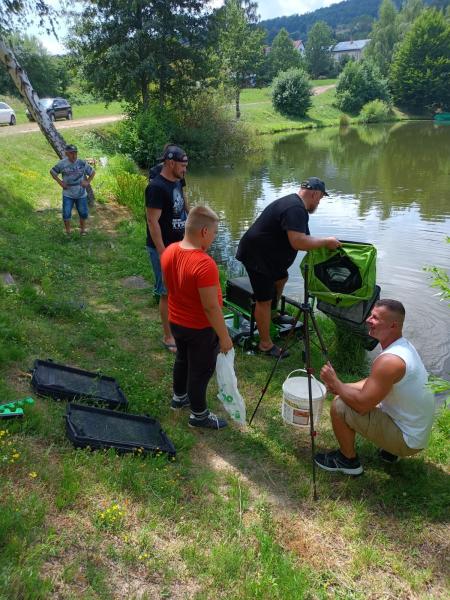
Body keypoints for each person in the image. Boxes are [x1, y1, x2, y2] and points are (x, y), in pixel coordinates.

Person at [315, 299, 435, 476]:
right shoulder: (403, 347)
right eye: (370, 315)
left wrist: (337, 385)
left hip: (408, 440)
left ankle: (348, 461)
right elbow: (373, 382)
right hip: (416, 433)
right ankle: (390, 452)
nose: (368, 320)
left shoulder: (389, 361)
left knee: (340, 405)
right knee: (352, 394)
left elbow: (362, 405)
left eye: (376, 318)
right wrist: (343, 386)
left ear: (393, 325)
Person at [236, 177, 341, 358]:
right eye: (320, 198)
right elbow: (298, 241)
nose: (319, 202)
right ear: (315, 193)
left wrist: (321, 243)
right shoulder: (295, 208)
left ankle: (274, 315)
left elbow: (304, 237)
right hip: (257, 256)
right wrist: (326, 242)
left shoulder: (296, 206)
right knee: (264, 300)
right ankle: (265, 344)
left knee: (281, 278)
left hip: (267, 256)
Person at [161, 205, 233, 430]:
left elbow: (170, 288)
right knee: (200, 372)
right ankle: (199, 415)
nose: (213, 238)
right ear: (204, 232)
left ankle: (179, 397)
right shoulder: (204, 263)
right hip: (200, 328)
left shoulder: (169, 251)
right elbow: (211, 308)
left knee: (182, 360)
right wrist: (224, 337)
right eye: (213, 233)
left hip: (177, 322)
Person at [145, 144, 189, 353]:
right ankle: (168, 335)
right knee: (166, 292)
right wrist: (163, 252)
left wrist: (193, 222)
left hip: (182, 244)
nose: (184, 169)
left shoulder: (178, 180)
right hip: (163, 248)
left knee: (179, 290)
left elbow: (184, 203)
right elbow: (152, 222)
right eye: (182, 165)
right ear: (170, 163)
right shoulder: (156, 187)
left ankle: (180, 327)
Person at [50, 144, 95, 235]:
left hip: (81, 193)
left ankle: (82, 231)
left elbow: (92, 172)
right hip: (68, 193)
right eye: (71, 153)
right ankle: (68, 232)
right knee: (66, 213)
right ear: (67, 154)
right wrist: (61, 182)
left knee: (83, 213)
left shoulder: (81, 163)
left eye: (75, 153)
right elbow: (52, 172)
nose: (74, 155)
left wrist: (87, 182)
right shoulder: (62, 164)